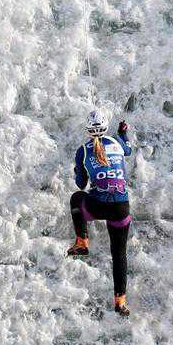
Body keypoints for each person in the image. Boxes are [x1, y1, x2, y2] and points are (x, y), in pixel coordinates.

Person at [67, 107, 133, 317]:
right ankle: (120, 302)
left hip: (99, 206)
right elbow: (128, 149)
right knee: (119, 254)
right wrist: (123, 132)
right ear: (106, 127)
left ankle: (82, 242)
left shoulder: (83, 150)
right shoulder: (117, 142)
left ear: (88, 129)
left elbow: (80, 184)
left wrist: (79, 170)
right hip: (121, 208)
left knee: (76, 199)